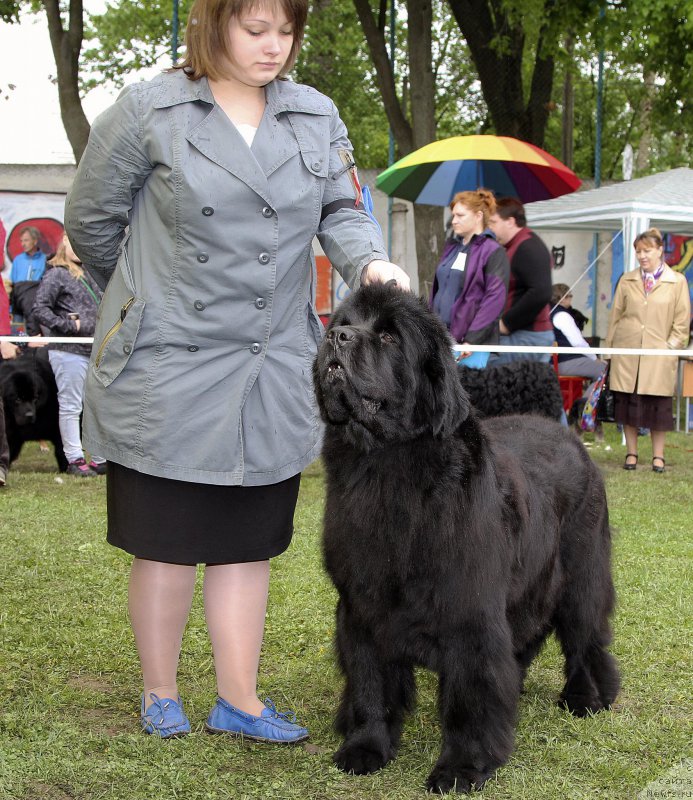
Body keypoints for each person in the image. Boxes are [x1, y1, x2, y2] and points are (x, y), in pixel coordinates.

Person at [64, 0, 409, 743]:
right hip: (166, 366)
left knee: (248, 542)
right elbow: (89, 219)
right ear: (211, 24)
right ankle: (160, 693)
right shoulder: (148, 108)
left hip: (272, 365)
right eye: (256, 29)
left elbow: (343, 213)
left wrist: (369, 261)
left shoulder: (315, 116)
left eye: (286, 31)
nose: (274, 46)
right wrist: (138, 297)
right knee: (164, 540)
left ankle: (239, 699)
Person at [604, 228, 690, 472]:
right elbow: (615, 316)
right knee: (628, 404)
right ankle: (631, 453)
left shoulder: (677, 282)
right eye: (638, 251)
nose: (642, 256)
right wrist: (609, 351)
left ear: (660, 250)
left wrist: (671, 346)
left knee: (658, 407)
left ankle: (658, 456)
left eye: (647, 250)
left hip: (658, 355)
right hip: (628, 352)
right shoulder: (627, 280)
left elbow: (682, 320)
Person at [32, 234, 107, 477]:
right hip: (68, 349)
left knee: (96, 406)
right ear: (63, 243)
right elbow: (40, 308)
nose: (76, 249)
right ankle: (74, 457)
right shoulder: (56, 273)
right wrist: (67, 326)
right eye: (72, 243)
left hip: (94, 348)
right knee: (72, 405)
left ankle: (99, 457)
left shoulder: (92, 273)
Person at [430, 189, 509, 359]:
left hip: (471, 346)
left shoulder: (493, 251)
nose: (454, 221)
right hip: (443, 339)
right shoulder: (452, 247)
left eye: (460, 215)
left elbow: (494, 300)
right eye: (453, 215)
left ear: (478, 216)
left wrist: (472, 340)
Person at [487, 197, 554, 363]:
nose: (490, 228)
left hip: (525, 336)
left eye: (494, 222)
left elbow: (541, 292)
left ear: (510, 221)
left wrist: (507, 323)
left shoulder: (528, 246)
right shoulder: (517, 246)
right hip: (523, 335)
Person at [550, 283, 606, 383]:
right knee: (604, 369)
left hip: (551, 362)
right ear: (562, 298)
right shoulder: (562, 315)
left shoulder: (547, 313)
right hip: (564, 362)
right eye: (570, 296)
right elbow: (578, 342)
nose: (571, 299)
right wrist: (594, 358)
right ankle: (588, 399)